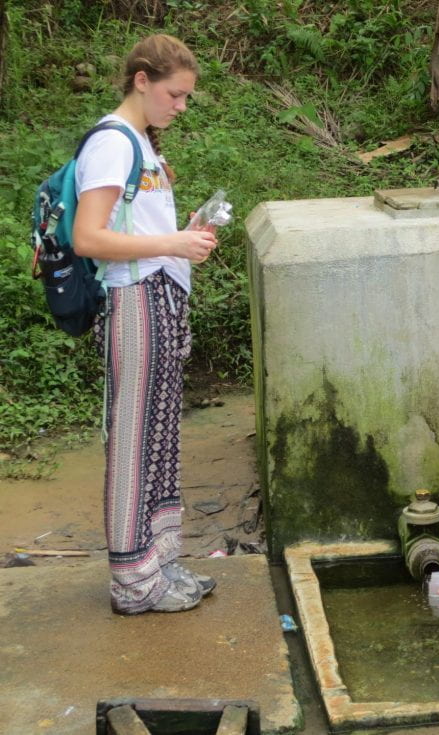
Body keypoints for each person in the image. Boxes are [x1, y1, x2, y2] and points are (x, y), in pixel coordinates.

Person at [73, 34, 219, 614]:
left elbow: (132, 225)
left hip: (157, 297)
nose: (180, 107)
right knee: (134, 442)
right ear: (141, 80)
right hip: (133, 302)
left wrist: (181, 238)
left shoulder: (139, 144)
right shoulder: (112, 143)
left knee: (160, 438)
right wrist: (174, 242)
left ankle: (157, 563)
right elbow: (89, 238)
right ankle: (132, 584)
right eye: (175, 95)